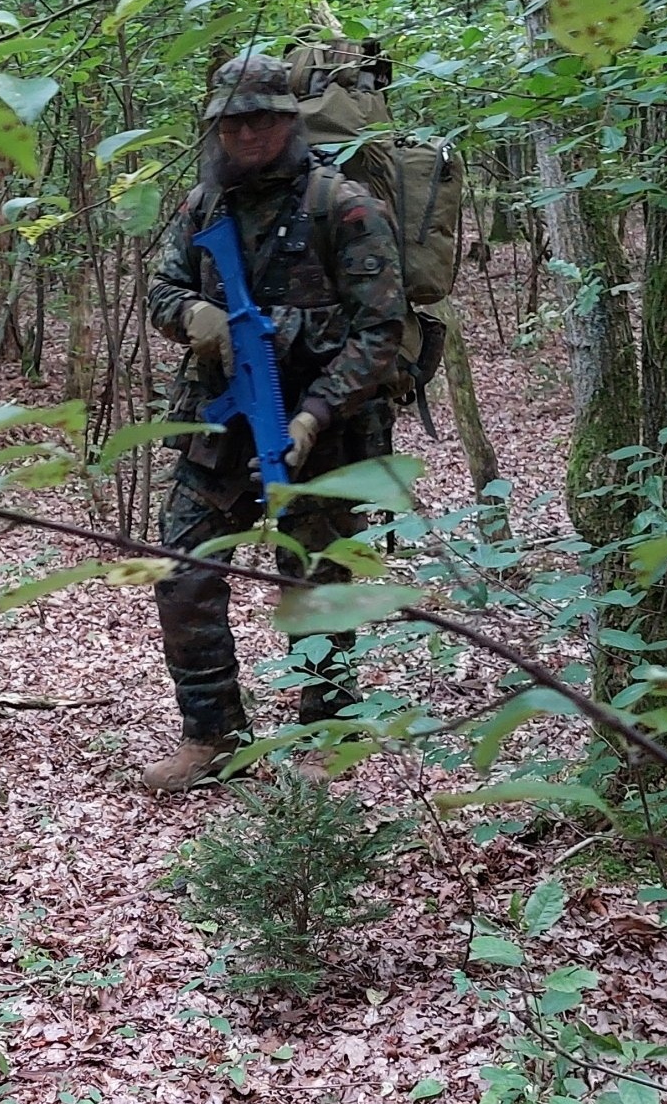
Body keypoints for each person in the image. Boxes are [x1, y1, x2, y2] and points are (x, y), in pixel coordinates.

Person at [141, 53, 406, 793]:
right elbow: (160, 286)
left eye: (262, 118)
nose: (248, 133)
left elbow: (379, 330)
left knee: (316, 580)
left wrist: (315, 417)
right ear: (216, 128)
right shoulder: (203, 208)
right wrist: (192, 312)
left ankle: (328, 734)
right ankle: (211, 735)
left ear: (289, 122)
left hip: (322, 424)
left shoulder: (343, 206)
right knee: (184, 569)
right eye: (233, 121)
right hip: (219, 422)